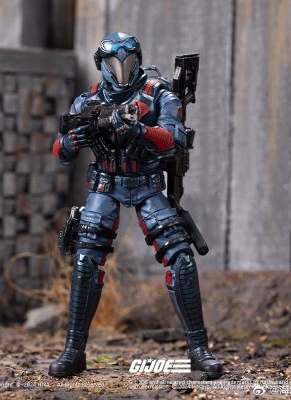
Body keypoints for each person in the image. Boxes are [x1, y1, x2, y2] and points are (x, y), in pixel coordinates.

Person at [49, 32, 223, 380]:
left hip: (146, 183)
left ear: (138, 60)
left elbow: (172, 141)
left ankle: (199, 350)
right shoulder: (88, 100)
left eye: (128, 61)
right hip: (105, 183)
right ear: (101, 65)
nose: (121, 69)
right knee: (85, 261)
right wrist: (72, 140)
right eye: (113, 63)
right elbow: (61, 151)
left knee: (181, 258)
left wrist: (139, 131)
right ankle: (73, 351)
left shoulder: (159, 94)